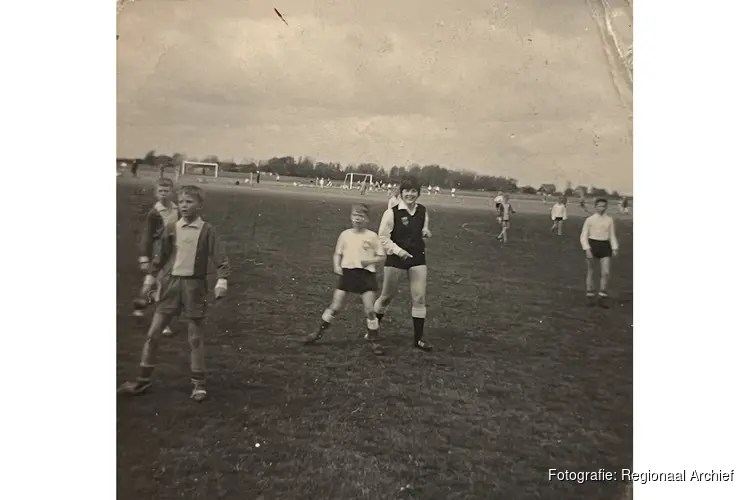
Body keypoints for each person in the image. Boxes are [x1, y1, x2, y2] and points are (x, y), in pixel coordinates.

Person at [118, 185, 231, 401]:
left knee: (195, 337)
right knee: (153, 334)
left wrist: (222, 281)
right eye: (181, 202)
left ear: (200, 205)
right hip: (171, 286)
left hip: (194, 288)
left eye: (189, 202)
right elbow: (160, 258)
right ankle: (143, 380)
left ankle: (198, 385)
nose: (184, 206)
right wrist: (150, 280)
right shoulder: (172, 227)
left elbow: (221, 259)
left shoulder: (207, 231)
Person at [304, 204, 386, 355]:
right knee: (335, 306)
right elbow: (337, 253)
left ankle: (374, 340)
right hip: (348, 273)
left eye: (361, 216)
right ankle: (318, 333)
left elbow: (382, 256)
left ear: (367, 219)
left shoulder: (372, 236)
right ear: (351, 217)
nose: (357, 219)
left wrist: (369, 262)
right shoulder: (345, 235)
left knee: (369, 310)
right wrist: (336, 266)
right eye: (355, 215)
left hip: (366, 275)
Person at [374, 177, 433, 351]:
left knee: (419, 297)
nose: (410, 194)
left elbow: (424, 228)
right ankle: (372, 329)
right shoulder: (391, 213)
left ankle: (418, 340)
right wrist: (399, 252)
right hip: (396, 258)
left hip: (417, 257)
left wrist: (426, 231)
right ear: (401, 193)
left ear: (418, 193)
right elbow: (383, 238)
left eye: (414, 191)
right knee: (386, 297)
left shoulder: (423, 211)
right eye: (407, 191)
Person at [132, 178, 180, 337]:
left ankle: (163, 322)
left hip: (172, 253)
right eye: (160, 191)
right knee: (151, 281)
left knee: (165, 286)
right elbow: (147, 235)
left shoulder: (176, 209)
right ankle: (139, 306)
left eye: (166, 191)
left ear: (172, 192)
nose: (163, 194)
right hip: (157, 253)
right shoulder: (154, 213)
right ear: (156, 193)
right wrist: (144, 257)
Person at [580, 198, 619, 307]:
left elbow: (612, 235)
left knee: (605, 272)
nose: (602, 208)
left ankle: (602, 296)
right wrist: (587, 249)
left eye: (604, 206)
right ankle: (590, 295)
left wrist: (614, 248)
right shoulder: (590, 220)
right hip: (592, 245)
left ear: (606, 207)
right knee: (591, 271)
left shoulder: (609, 220)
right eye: (600, 206)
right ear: (595, 207)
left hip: (605, 246)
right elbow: (583, 236)